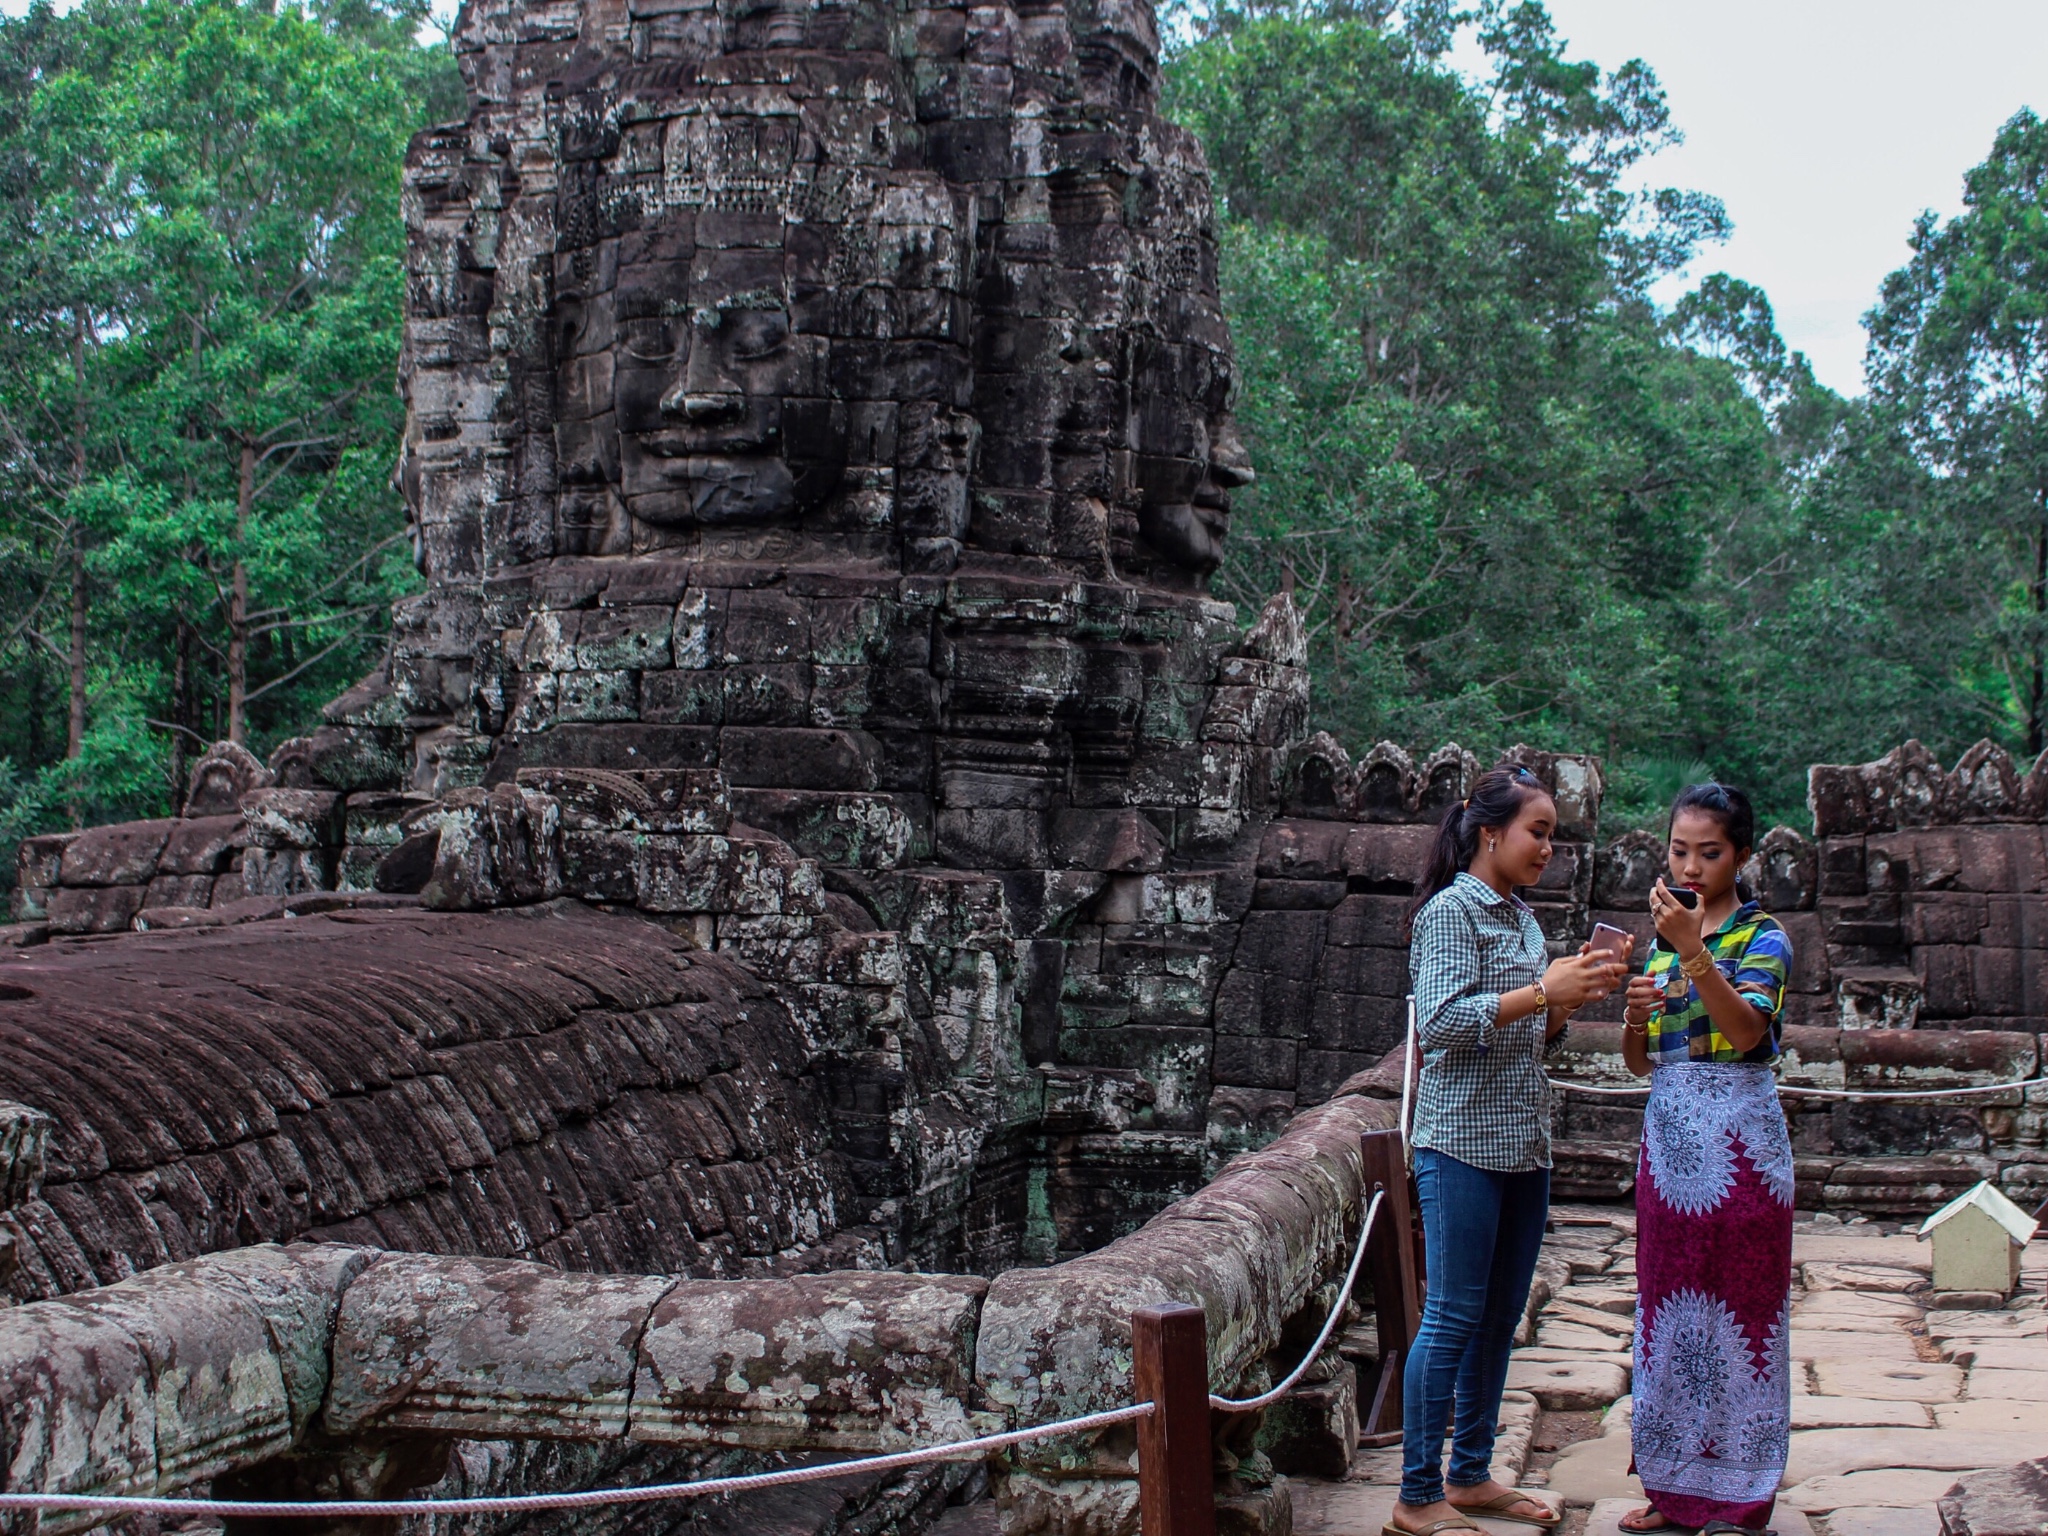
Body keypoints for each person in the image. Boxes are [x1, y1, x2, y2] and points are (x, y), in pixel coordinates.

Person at [1388, 765, 1630, 1536]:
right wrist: (1541, 994)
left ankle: (1470, 1475)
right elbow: (1443, 1027)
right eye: (1539, 831)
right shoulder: (1450, 913)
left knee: (1499, 1318)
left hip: (1523, 1142)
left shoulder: (1521, 920)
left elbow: (1528, 1038)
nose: (1548, 848)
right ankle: (1415, 1495)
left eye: (1553, 836)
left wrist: (1565, 1004)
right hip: (1459, 1142)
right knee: (1452, 1316)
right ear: (1490, 832)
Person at [1617, 783, 1795, 1536]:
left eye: (1709, 852)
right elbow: (1639, 1063)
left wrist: (1694, 951)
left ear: (1743, 856)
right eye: (1678, 850)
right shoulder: (1661, 941)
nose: (1689, 866)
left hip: (1743, 1155)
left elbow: (1749, 1031)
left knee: (1743, 1322)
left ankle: (1742, 1492)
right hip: (1670, 1147)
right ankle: (1672, 1488)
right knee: (1669, 1317)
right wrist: (1632, 1019)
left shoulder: (1765, 938)